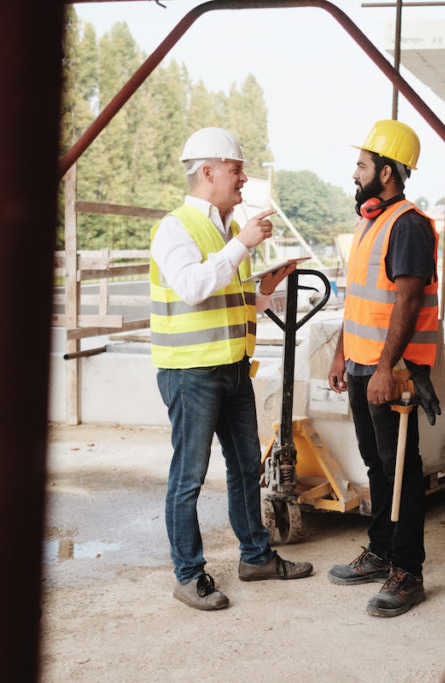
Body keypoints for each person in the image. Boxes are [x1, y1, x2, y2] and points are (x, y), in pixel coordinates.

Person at [150, 126, 312, 611]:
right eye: (236, 169)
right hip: (191, 374)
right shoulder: (174, 228)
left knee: (245, 467)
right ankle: (188, 574)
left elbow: (234, 301)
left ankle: (256, 557)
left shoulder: (224, 232)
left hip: (233, 367)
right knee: (189, 477)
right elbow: (193, 287)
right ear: (208, 171)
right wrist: (241, 245)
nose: (243, 179)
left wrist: (267, 289)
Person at [326, 120, 442, 618]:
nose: (355, 173)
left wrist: (385, 367)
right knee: (376, 465)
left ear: (388, 173)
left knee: (401, 472)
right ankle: (380, 552)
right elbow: (360, 302)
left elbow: (408, 301)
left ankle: (407, 572)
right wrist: (340, 353)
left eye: (363, 165)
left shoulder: (409, 225)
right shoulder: (371, 221)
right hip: (360, 363)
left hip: (390, 371)